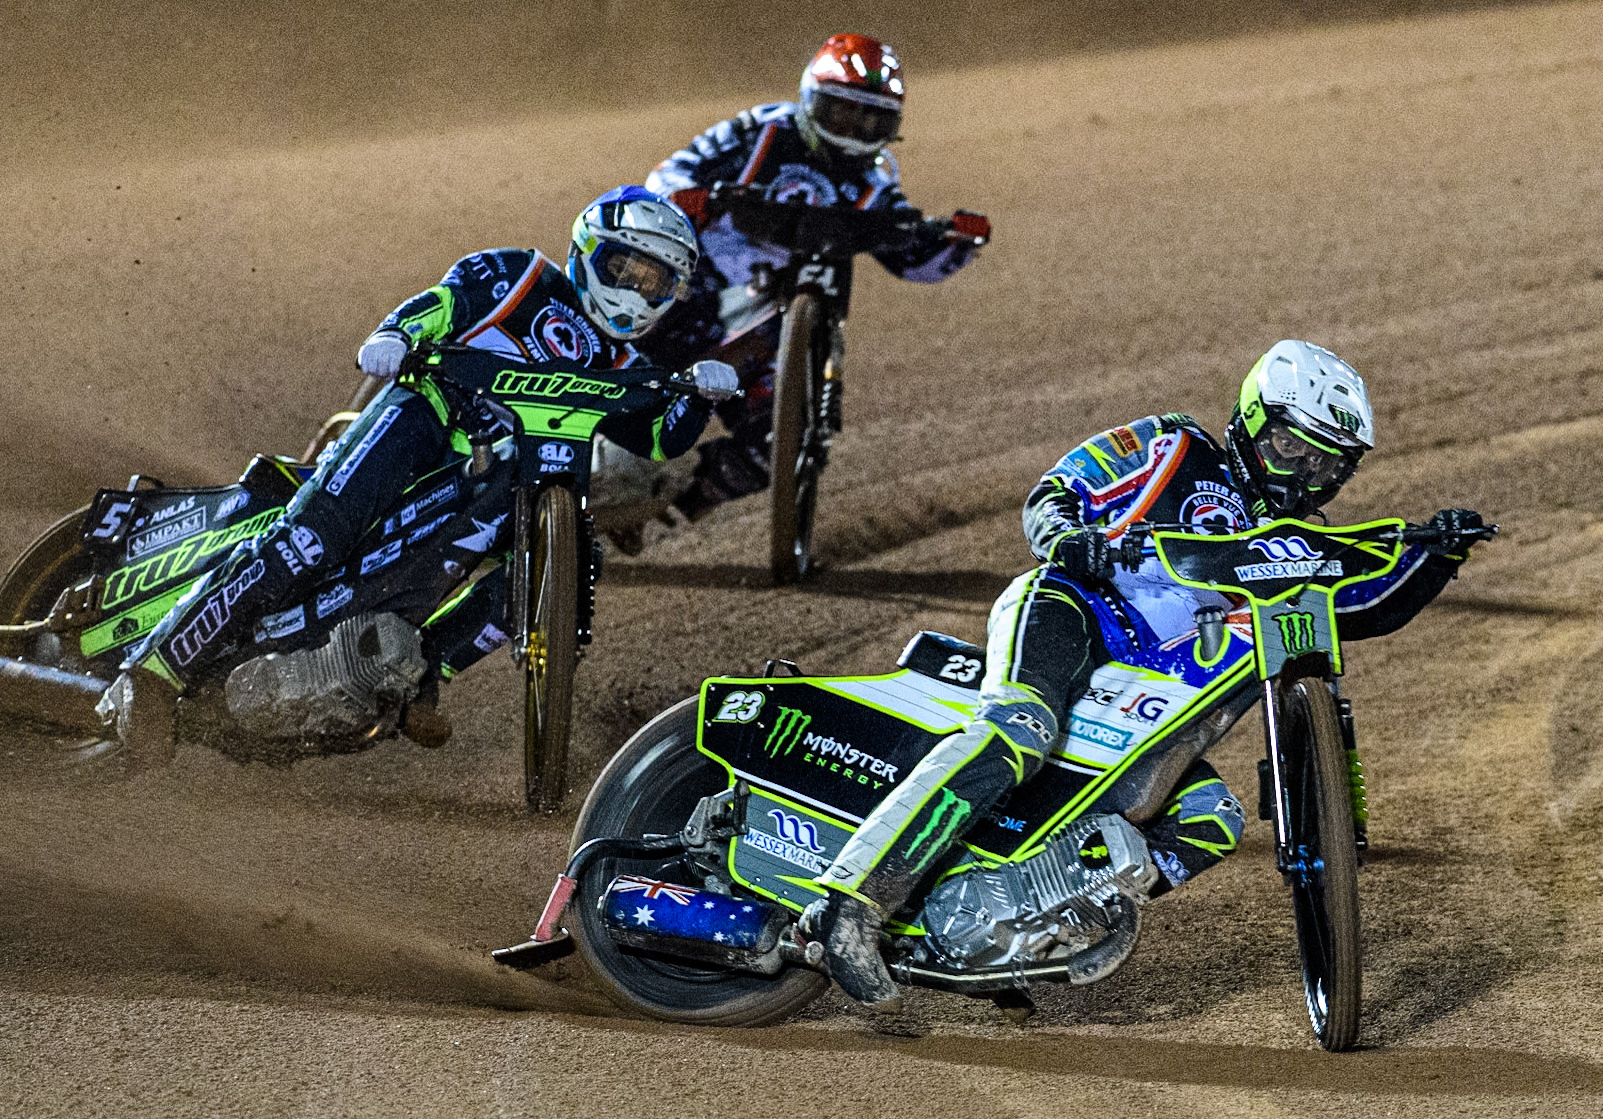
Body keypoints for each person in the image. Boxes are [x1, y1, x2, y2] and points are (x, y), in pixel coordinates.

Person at [799, 340, 1488, 1005]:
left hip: (1148, 699)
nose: (1300, 475)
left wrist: (1439, 557)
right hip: (1072, 612)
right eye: (1289, 449)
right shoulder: (1174, 446)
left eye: (1323, 466)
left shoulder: (1296, 545)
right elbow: (1055, 489)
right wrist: (1071, 536)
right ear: (1253, 422)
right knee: (1020, 728)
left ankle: (1027, 927)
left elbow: (1364, 609)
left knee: (1209, 818)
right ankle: (850, 903)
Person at [100, 186, 739, 758]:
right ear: (587, 252)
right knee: (313, 537)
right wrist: (397, 333)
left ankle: (422, 676)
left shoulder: (622, 361)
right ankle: (156, 670)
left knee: (567, 567)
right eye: (623, 268)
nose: (633, 289)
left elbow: (656, 437)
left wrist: (697, 398)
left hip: (501, 473)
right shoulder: (519, 276)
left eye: (654, 282)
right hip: (426, 416)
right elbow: (444, 303)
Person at [634, 32, 990, 525]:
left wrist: (957, 243)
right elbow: (670, 175)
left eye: (872, 117)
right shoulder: (762, 128)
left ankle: (669, 506)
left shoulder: (878, 175)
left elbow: (910, 259)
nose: (856, 128)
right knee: (625, 350)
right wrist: (698, 198)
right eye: (843, 110)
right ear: (810, 97)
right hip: (700, 286)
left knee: (785, 439)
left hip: (778, 328)